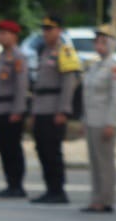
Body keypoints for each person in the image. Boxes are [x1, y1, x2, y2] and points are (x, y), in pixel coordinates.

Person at [29, 16, 82, 204]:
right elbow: (38, 86)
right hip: (42, 108)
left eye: (50, 29)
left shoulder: (64, 51)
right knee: (42, 149)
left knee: (53, 151)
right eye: (44, 29)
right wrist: (34, 112)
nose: (46, 33)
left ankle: (58, 190)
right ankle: (50, 188)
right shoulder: (44, 51)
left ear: (59, 30)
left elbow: (69, 82)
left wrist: (64, 110)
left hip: (54, 109)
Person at [79, 24, 116, 213]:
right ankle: (95, 198)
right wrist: (84, 119)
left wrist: (111, 123)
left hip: (104, 121)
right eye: (96, 42)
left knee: (105, 162)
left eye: (103, 42)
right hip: (92, 120)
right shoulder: (94, 66)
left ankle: (106, 199)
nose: (98, 45)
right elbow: (87, 95)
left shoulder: (115, 67)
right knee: (94, 162)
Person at [0, 18, 29, 197]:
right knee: (3, 147)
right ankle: (10, 183)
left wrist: (17, 110)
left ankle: (17, 185)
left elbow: (21, 86)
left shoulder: (18, 57)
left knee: (13, 148)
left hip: (10, 110)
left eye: (4, 33)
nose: (0, 36)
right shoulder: (2, 57)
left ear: (14, 36)